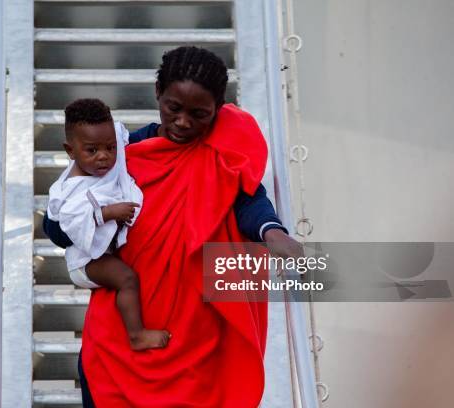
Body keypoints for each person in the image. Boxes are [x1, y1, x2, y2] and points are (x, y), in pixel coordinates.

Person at [44, 46, 303, 407]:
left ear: (218, 108)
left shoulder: (221, 158)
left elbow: (249, 200)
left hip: (194, 340)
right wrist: (81, 217)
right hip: (118, 334)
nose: (183, 122)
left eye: (199, 114)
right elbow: (56, 228)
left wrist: (274, 233)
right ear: (157, 95)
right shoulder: (121, 154)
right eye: (173, 108)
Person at [48, 98, 171, 351]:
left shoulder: (109, 154)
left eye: (110, 147)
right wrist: (107, 213)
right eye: (92, 151)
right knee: (127, 279)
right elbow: (69, 224)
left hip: (101, 252)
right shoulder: (70, 190)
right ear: (70, 151)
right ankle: (136, 335)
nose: (104, 156)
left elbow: (127, 140)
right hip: (85, 262)